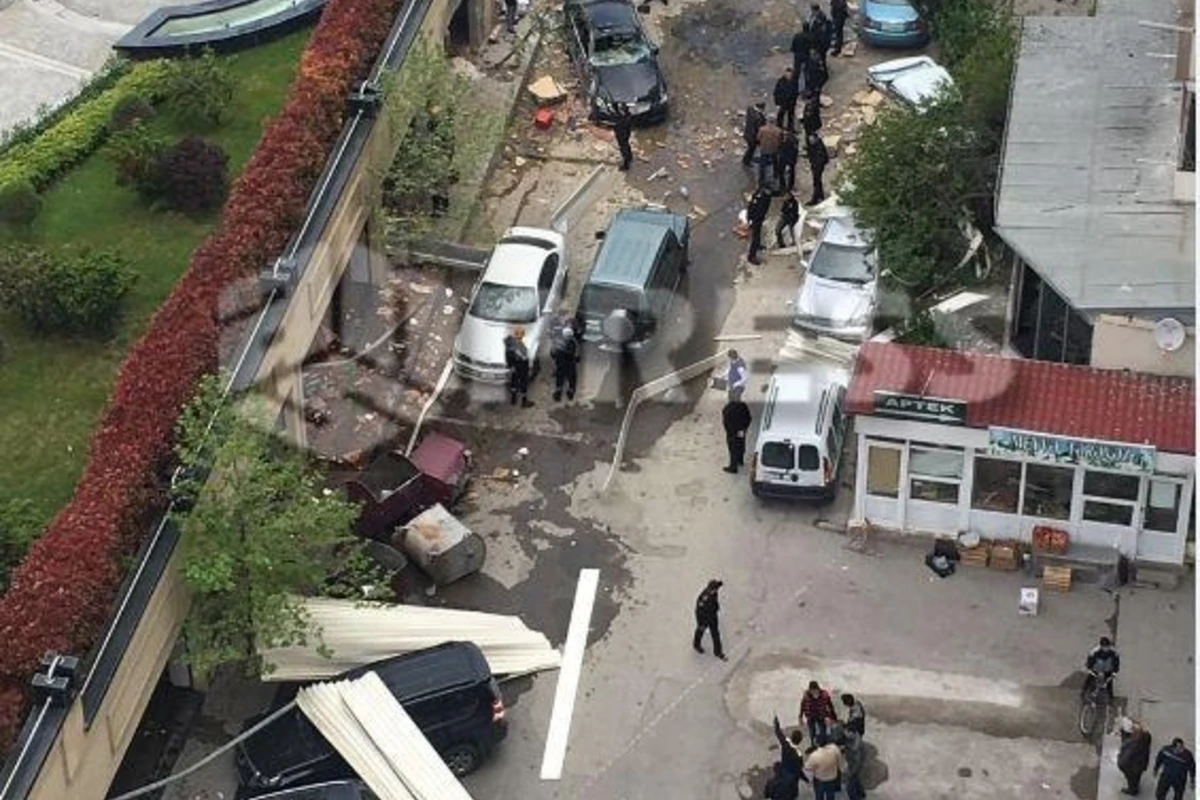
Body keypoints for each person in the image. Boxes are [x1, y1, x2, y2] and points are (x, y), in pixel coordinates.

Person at [803, 734, 846, 800]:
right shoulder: (835, 748)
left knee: (819, 795)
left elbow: (808, 768)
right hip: (832, 777)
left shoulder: (814, 755)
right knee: (830, 794)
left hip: (820, 779)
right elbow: (840, 762)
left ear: (816, 743)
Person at [692, 579, 726, 660]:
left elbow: (717, 586)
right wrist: (700, 622)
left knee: (715, 634)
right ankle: (696, 645)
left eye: (716, 589)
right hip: (704, 618)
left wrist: (720, 584)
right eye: (715, 589)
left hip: (713, 616)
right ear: (710, 589)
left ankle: (718, 652)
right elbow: (698, 611)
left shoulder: (713, 592)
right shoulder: (704, 598)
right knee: (700, 630)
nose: (716, 591)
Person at [1118, 718, 1152, 796]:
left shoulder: (1132, 745)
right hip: (1140, 765)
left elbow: (1123, 761)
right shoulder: (1146, 737)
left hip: (1132, 768)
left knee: (1132, 780)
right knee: (1136, 778)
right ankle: (1135, 786)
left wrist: (1120, 762)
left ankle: (1132, 790)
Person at [773, 715, 810, 788]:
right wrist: (806, 779)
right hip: (793, 776)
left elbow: (779, 733)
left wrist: (776, 723)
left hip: (784, 769)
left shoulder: (786, 744)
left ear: (791, 736)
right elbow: (799, 770)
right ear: (800, 741)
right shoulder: (798, 755)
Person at [503, 327, 534, 407]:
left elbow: (508, 358)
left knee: (514, 382)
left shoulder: (509, 345)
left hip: (514, 368)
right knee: (523, 382)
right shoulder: (519, 345)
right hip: (522, 367)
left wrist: (511, 367)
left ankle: (513, 399)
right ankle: (524, 401)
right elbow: (524, 357)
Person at [1083, 636, 1121, 700]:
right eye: (1104, 647)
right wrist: (1092, 672)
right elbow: (1089, 665)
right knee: (1087, 684)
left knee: (1109, 687)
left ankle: (1110, 702)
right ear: (1101, 646)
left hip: (1107, 672)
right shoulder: (1093, 653)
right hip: (1095, 672)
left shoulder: (1114, 654)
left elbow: (1116, 665)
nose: (1106, 648)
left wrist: (1114, 673)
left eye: (1107, 647)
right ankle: (1083, 697)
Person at [722, 397, 752, 474]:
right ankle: (740, 460)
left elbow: (725, 420)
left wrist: (728, 431)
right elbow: (749, 418)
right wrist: (744, 428)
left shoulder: (728, 408)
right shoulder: (743, 406)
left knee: (733, 448)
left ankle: (733, 467)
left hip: (732, 432)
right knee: (741, 444)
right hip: (741, 430)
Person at [551, 324, 580, 402]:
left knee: (559, 379)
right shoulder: (574, 342)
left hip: (560, 365)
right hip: (570, 364)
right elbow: (576, 354)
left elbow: (553, 352)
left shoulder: (558, 342)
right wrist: (576, 359)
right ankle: (570, 393)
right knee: (572, 379)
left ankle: (558, 393)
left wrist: (555, 359)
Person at [756, 118, 784, 190]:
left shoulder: (762, 129)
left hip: (764, 149)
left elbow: (758, 138)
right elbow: (781, 140)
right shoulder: (778, 131)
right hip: (774, 149)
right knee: (775, 162)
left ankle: (761, 180)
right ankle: (776, 174)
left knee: (762, 165)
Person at [746, 187, 772, 265]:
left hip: (757, 218)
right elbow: (752, 208)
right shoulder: (761, 198)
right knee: (755, 238)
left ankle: (758, 245)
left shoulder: (761, 195)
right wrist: (751, 220)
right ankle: (751, 256)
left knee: (758, 234)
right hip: (755, 219)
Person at [839, 727, 866, 800]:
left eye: (846, 732)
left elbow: (854, 749)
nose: (845, 734)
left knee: (849, 786)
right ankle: (861, 793)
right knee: (856, 780)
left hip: (854, 764)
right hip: (856, 763)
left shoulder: (856, 743)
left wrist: (845, 747)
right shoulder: (856, 736)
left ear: (851, 732)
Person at [805, 133, 829, 207]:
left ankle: (815, 198)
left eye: (812, 139)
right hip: (816, 164)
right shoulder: (816, 145)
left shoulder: (818, 146)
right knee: (818, 181)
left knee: (816, 181)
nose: (811, 141)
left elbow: (821, 157)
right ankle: (820, 195)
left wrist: (816, 164)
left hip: (818, 165)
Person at [743, 101, 768, 167]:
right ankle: (746, 161)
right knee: (751, 149)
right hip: (753, 137)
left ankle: (746, 160)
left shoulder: (750, 110)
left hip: (747, 133)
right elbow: (759, 128)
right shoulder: (759, 118)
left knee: (750, 148)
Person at [790, 23, 814, 90]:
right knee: (807, 72)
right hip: (806, 55)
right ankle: (807, 86)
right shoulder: (810, 36)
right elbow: (812, 47)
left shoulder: (797, 36)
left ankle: (794, 86)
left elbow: (793, 47)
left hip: (798, 55)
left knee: (796, 71)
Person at [808, 3, 831, 71]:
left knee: (821, 56)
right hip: (820, 41)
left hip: (821, 42)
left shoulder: (821, 18)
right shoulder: (817, 16)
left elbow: (821, 32)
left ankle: (823, 69)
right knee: (820, 56)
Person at [614, 104, 634, 171]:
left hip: (622, 132)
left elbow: (617, 124)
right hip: (625, 131)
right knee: (626, 144)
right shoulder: (627, 115)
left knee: (623, 147)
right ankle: (630, 157)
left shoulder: (621, 117)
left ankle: (626, 165)